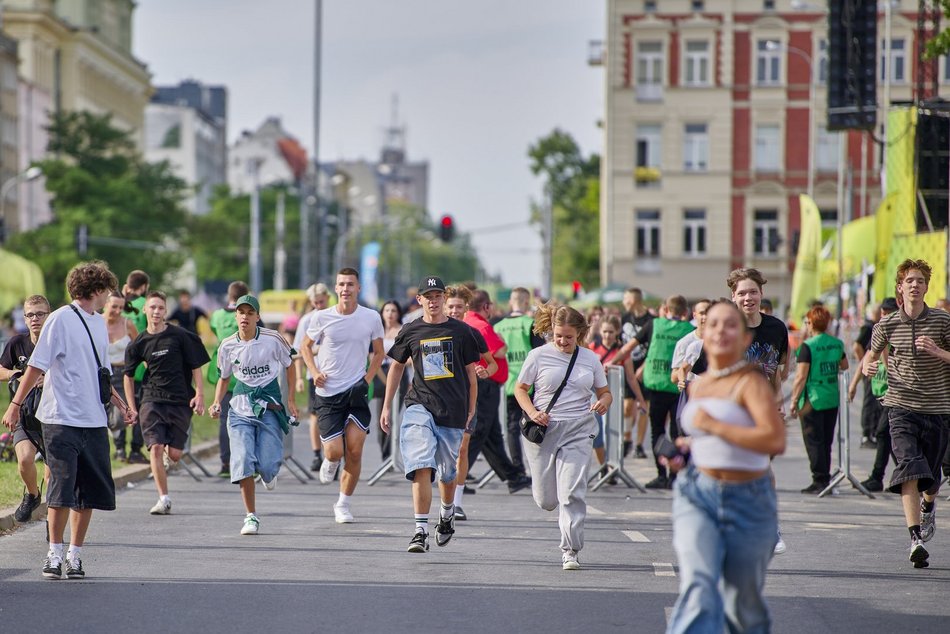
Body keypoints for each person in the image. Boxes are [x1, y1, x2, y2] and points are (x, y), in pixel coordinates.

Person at [3, 261, 135, 580]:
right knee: (61, 488)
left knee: (87, 491)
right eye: (107, 291)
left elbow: (102, 375)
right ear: (98, 289)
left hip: (93, 419)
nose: (109, 298)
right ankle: (54, 552)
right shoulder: (61, 319)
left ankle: (75, 555)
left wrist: (123, 404)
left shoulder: (98, 323)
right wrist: (16, 404)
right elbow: (36, 365)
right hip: (60, 418)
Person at [664, 300, 786, 633]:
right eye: (713, 324)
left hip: (747, 497)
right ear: (702, 333)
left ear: (745, 339)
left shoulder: (750, 383)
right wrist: (683, 451)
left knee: (740, 602)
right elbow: (701, 437)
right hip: (697, 492)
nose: (720, 330)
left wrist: (716, 427)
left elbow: (774, 441)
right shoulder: (698, 384)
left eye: (730, 325)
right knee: (699, 586)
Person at [380, 276, 480, 553]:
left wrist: (471, 407)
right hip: (419, 405)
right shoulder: (411, 330)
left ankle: (446, 514)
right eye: (429, 296)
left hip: (453, 409)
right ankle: (420, 530)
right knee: (421, 463)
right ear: (420, 300)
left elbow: (472, 374)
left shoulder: (461, 331)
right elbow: (397, 366)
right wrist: (387, 404)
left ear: (444, 299)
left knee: (448, 474)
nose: (434, 301)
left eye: (438, 296)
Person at [862, 259, 950, 568]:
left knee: (932, 477)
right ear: (900, 287)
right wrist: (868, 366)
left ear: (927, 287)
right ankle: (915, 539)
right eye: (909, 280)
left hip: (938, 408)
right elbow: (868, 358)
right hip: (900, 406)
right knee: (911, 468)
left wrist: (938, 352)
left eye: (920, 281)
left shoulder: (942, 321)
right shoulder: (886, 325)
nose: (915, 285)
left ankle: (929, 506)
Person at [514, 302, 611, 570]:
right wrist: (533, 412)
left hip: (578, 428)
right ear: (551, 331)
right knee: (547, 500)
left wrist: (604, 401)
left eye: (569, 337)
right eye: (558, 335)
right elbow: (520, 389)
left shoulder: (590, 359)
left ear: (579, 333)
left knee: (571, 493)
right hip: (545, 430)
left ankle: (570, 550)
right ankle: (554, 506)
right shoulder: (538, 356)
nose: (563, 341)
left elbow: (604, 392)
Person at [300, 268, 384, 523]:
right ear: (336, 289)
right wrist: (314, 372)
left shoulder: (371, 317)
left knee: (355, 451)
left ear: (358, 288)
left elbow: (379, 353)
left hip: (356, 392)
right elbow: (305, 346)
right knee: (335, 451)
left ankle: (343, 503)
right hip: (327, 393)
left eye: (350, 284)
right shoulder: (322, 317)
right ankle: (331, 460)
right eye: (341, 284)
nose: (346, 288)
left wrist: (366, 380)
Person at [210, 294, 298, 536]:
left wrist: (290, 399)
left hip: (269, 407)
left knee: (268, 466)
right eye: (241, 312)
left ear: (257, 317)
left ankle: (269, 472)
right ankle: (251, 516)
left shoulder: (273, 339)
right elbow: (224, 377)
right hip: (239, 409)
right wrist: (217, 402)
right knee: (243, 460)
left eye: (250, 313)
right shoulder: (227, 345)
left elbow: (290, 366)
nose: (245, 317)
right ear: (235, 316)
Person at [123, 291, 210, 515]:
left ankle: (164, 456)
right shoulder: (139, 343)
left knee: (175, 455)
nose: (156, 312)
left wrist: (199, 394)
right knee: (156, 448)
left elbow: (195, 366)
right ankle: (163, 498)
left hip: (180, 400)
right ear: (145, 310)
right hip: (152, 399)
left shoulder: (180, 336)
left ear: (165, 311)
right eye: (152, 307)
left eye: (160, 308)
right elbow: (128, 375)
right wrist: (132, 406)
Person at [616, 295, 695, 489]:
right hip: (680, 388)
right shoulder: (690, 330)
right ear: (685, 313)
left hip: (656, 386)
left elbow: (628, 347)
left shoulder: (654, 325)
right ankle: (674, 477)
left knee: (657, 431)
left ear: (666, 309)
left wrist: (609, 362)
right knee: (678, 432)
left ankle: (661, 475)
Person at [463, 289, 532, 495]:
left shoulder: (469, 322)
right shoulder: (482, 326)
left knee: (492, 435)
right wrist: (501, 340)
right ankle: (458, 476)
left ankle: (513, 476)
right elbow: (498, 351)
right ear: (486, 307)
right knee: (479, 432)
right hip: (485, 385)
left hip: (484, 385)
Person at [444, 284, 495, 521]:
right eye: (450, 306)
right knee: (442, 452)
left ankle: (457, 502)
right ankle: (445, 496)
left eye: (458, 307)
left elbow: (491, 363)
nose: (454, 310)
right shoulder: (434, 331)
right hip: (439, 398)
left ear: (466, 309)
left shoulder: (472, 334)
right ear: (444, 306)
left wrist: (485, 370)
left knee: (462, 449)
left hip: (466, 398)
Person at [0, 295, 51, 522]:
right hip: (25, 415)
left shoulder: (57, 343)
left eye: (40, 314)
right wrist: (15, 374)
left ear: (49, 315)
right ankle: (32, 494)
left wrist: (48, 378)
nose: (35, 319)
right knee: (24, 460)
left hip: (54, 416)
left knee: (53, 477)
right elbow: (1, 370)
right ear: (24, 318)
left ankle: (53, 526)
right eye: (30, 315)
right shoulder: (17, 344)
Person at [789, 305, 848, 494]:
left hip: (812, 398)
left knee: (813, 441)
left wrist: (793, 400)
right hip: (831, 396)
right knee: (826, 440)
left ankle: (819, 479)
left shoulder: (808, 346)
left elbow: (800, 377)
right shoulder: (836, 343)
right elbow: (844, 365)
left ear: (811, 323)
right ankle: (825, 477)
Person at [493, 286, 546, 476]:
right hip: (529, 386)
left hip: (507, 384)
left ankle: (518, 467)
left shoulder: (498, 326)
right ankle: (538, 468)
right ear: (526, 302)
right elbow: (541, 354)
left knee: (512, 428)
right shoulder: (530, 324)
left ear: (510, 302)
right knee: (536, 425)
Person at [851, 297, 899, 492]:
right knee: (887, 435)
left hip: (896, 394)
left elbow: (890, 367)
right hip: (880, 393)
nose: (885, 317)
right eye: (883, 313)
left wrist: (885, 348)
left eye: (889, 313)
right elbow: (866, 358)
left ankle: (883, 476)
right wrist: (854, 384)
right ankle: (900, 475)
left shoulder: (897, 333)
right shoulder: (878, 333)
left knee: (884, 433)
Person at [589, 315, 645, 474]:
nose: (607, 335)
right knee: (597, 433)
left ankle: (612, 467)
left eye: (611, 332)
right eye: (605, 331)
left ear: (617, 332)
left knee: (613, 433)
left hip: (614, 395)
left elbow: (631, 378)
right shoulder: (592, 348)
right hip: (594, 394)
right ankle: (604, 467)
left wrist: (641, 400)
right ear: (600, 331)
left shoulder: (621, 352)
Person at [208, 281, 249, 478]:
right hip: (246, 377)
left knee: (224, 420)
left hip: (224, 374)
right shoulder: (248, 316)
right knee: (249, 419)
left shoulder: (217, 315)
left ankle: (225, 462)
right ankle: (248, 461)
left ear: (229, 294)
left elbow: (215, 331)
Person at [292, 282, 330, 472]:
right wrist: (298, 377)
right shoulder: (307, 320)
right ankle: (317, 453)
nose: (319, 306)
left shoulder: (334, 316)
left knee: (331, 416)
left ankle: (332, 454)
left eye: (322, 302)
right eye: (315, 303)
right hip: (313, 373)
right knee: (315, 414)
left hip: (333, 373)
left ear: (328, 298)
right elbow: (299, 350)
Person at [104, 291, 146, 463]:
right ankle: (118, 448)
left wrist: (149, 368)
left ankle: (121, 444)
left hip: (123, 374)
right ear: (105, 304)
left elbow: (140, 350)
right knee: (102, 415)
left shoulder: (128, 324)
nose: (118, 310)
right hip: (102, 374)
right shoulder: (95, 323)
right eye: (114, 306)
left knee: (119, 417)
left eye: (121, 307)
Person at [619, 288, 653, 458]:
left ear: (635, 300)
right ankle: (627, 438)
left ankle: (639, 444)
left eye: (627, 299)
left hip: (645, 368)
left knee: (643, 407)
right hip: (627, 367)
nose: (625, 303)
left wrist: (644, 367)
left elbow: (654, 348)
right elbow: (621, 344)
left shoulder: (651, 320)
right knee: (627, 407)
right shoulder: (624, 318)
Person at [373, 299, 404, 460]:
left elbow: (410, 357)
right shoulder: (378, 331)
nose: (390, 314)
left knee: (393, 416)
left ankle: (390, 452)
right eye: (387, 310)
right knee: (382, 415)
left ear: (398, 313)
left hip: (399, 374)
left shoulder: (403, 330)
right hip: (380, 374)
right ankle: (385, 452)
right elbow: (371, 354)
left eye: (393, 310)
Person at [853, 302, 883, 448]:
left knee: (875, 402)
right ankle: (867, 434)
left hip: (875, 370)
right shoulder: (868, 327)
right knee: (869, 402)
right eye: (881, 312)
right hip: (870, 370)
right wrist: (863, 364)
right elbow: (857, 346)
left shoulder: (875, 326)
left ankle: (872, 432)